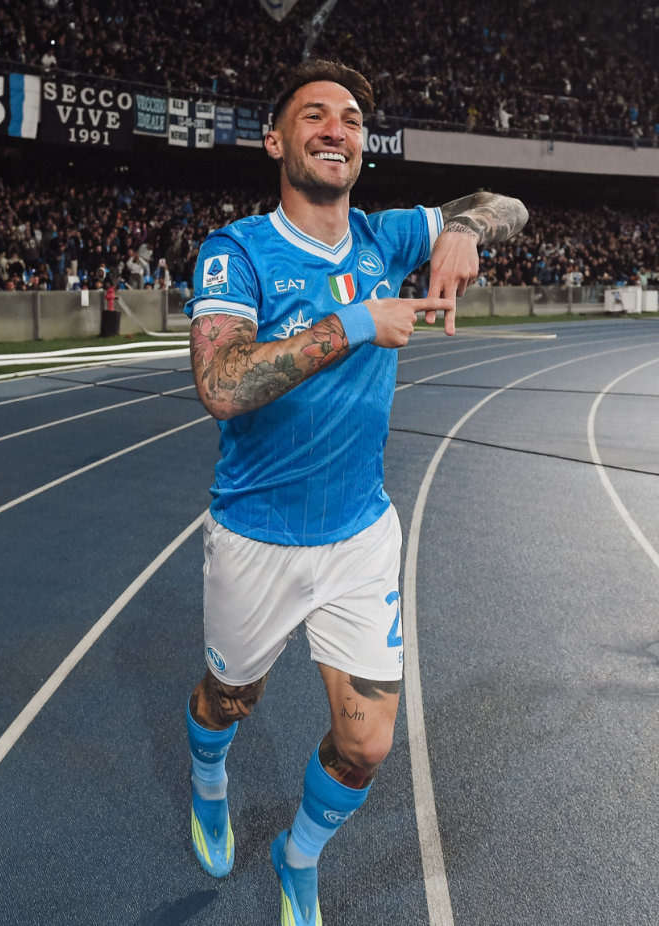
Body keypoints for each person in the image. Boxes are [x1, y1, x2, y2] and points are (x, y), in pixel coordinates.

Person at [183, 59, 527, 925]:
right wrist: (356, 323)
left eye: (351, 119)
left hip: (358, 536)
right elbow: (221, 385)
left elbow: (510, 204)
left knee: (367, 744)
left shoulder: (386, 236)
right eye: (315, 115)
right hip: (256, 534)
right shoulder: (237, 252)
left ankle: (297, 857)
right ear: (276, 141)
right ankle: (209, 775)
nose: (337, 128)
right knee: (231, 700)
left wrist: (465, 229)